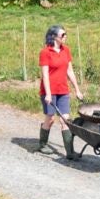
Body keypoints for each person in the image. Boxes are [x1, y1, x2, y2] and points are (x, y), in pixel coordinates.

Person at [36, 24, 73, 155]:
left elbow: (70, 71)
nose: (65, 36)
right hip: (49, 92)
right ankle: (42, 144)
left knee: (65, 120)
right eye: (62, 35)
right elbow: (45, 75)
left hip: (63, 90)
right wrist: (48, 94)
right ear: (54, 37)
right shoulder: (45, 52)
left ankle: (70, 153)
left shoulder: (66, 50)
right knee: (50, 119)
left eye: (65, 34)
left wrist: (77, 89)